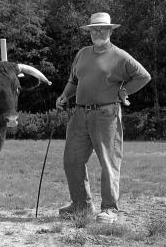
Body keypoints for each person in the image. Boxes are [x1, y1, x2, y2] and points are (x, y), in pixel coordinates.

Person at [56, 12, 151, 223]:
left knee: (108, 162)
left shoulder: (120, 56)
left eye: (102, 29)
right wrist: (64, 95)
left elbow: (144, 76)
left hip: (106, 114)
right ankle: (80, 205)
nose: (97, 32)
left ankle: (109, 209)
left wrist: (123, 91)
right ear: (89, 32)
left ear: (110, 31)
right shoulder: (81, 54)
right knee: (72, 160)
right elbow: (74, 80)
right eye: (94, 29)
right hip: (80, 113)